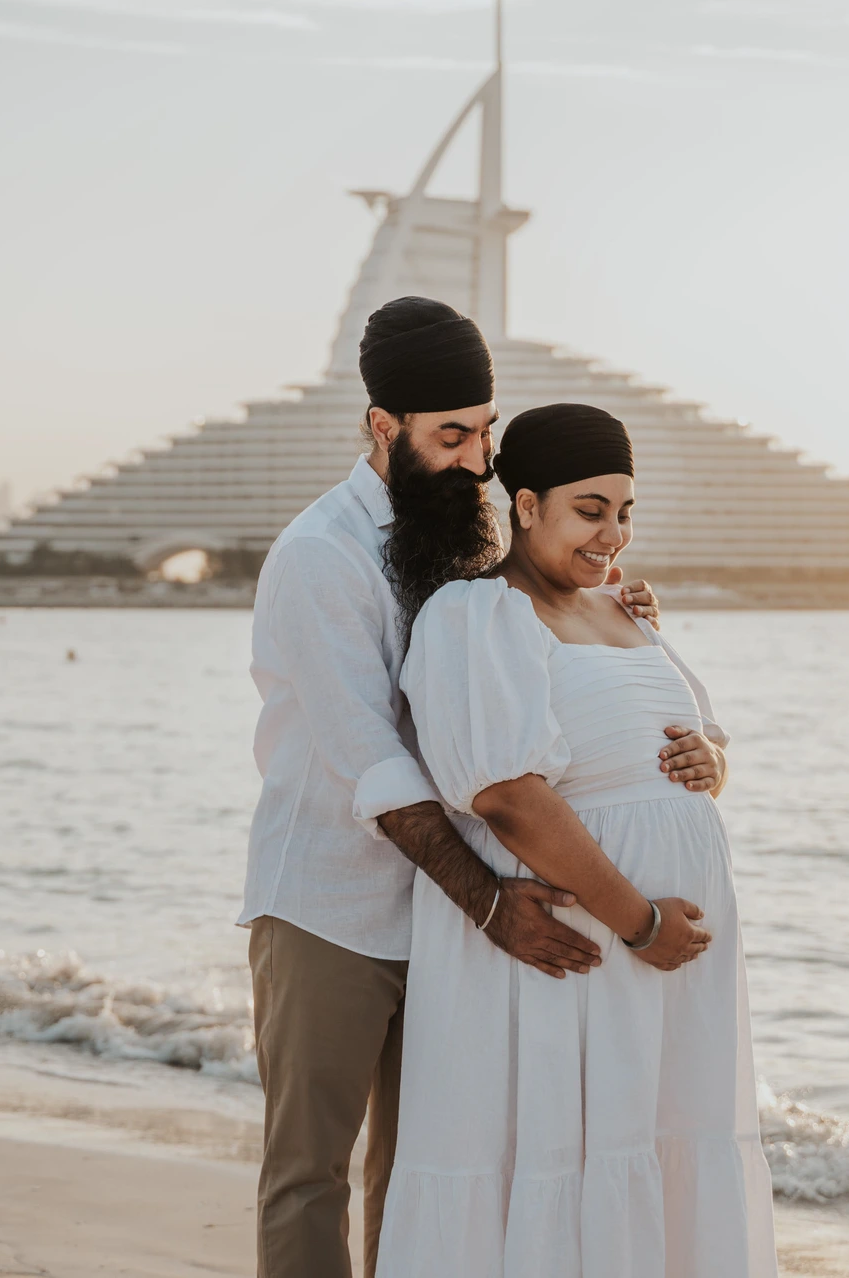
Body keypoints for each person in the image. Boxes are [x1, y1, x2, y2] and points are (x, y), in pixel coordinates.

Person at [240, 299, 696, 1278]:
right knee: (309, 1173)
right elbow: (375, 763)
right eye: (453, 435)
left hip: (448, 921)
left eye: (486, 430)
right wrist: (490, 902)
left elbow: (522, 648)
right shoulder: (320, 557)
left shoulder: (467, 530)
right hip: (333, 903)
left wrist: (614, 607)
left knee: (426, 1172)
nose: (479, 458)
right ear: (381, 428)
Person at [377, 403, 779, 1277]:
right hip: (592, 949)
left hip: (671, 969)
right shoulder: (474, 616)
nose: (613, 532)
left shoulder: (628, 613)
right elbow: (507, 797)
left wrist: (711, 756)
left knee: (663, 1147)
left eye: (626, 510)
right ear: (526, 506)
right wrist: (638, 921)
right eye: (590, 509)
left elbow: (696, 746)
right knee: (561, 1156)